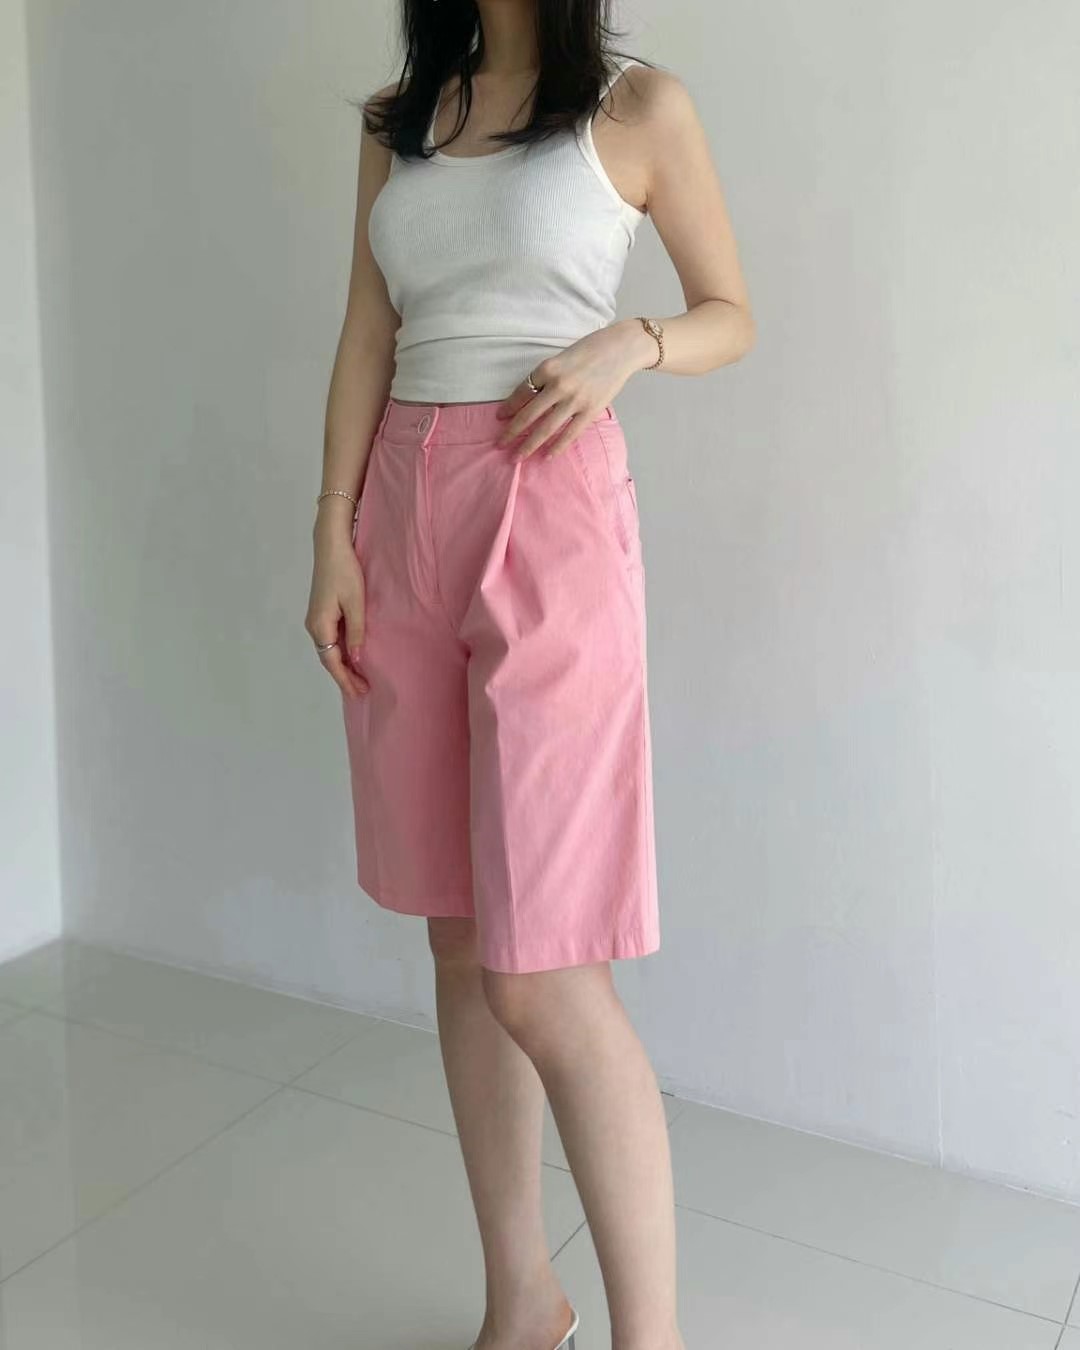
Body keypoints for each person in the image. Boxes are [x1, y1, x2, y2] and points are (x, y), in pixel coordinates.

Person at [305, 3, 754, 1346]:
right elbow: (368, 330)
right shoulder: (400, 122)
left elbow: (732, 313)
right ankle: (522, 1298)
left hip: (551, 496)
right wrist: (331, 534)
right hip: (402, 509)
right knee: (457, 934)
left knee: (543, 966)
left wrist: (638, 341)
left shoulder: (636, 107)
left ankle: (649, 1339)